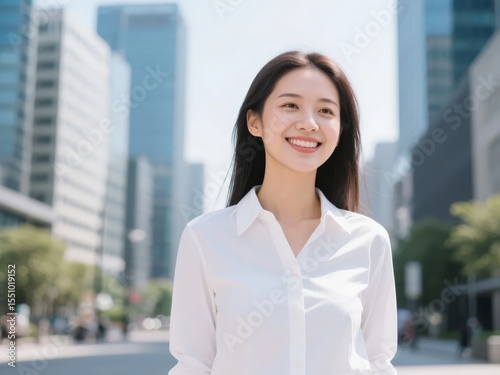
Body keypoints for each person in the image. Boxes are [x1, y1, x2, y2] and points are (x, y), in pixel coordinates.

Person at [168, 51, 398, 374]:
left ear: (339, 130)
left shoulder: (369, 241)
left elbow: (378, 363)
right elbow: (193, 364)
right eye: (290, 105)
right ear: (255, 122)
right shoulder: (205, 238)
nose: (308, 122)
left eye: (325, 110)